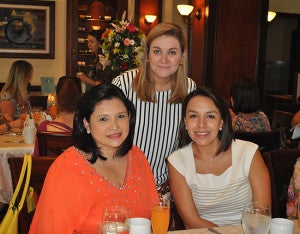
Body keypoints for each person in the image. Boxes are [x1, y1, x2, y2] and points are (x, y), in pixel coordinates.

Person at [29, 84, 158, 233]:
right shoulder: (66, 169)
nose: (114, 126)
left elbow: (153, 217)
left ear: (129, 117)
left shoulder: (137, 157)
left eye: (120, 116)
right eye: (103, 119)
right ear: (86, 123)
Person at [168, 87, 271, 229]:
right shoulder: (177, 161)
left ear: (222, 122)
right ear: (185, 122)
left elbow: (261, 214)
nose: (201, 124)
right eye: (193, 116)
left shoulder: (249, 153)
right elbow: (191, 222)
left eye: (210, 116)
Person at [112, 22, 196, 189]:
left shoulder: (189, 89)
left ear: (182, 56)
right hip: (120, 184)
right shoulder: (124, 84)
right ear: (148, 55)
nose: (164, 60)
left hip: (163, 188)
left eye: (172, 52)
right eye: (157, 51)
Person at [33, 76, 82, 156]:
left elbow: (37, 161)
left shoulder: (44, 129)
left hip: (51, 168)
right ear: (81, 98)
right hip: (81, 169)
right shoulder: (89, 129)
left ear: (56, 98)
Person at [0, 60, 33, 134]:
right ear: (22, 77)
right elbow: (8, 123)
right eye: (28, 76)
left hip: (23, 133)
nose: (29, 79)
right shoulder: (7, 97)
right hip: (11, 136)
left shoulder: (24, 95)